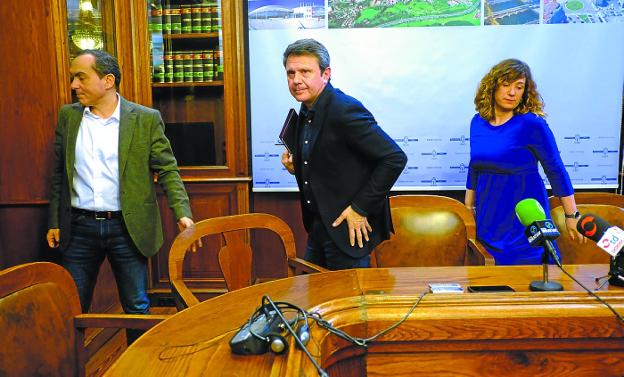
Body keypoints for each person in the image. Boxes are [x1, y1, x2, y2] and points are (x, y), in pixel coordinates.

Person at [46, 49, 195, 342]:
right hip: (78, 228)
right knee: (71, 309)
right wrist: (54, 221)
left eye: (81, 77)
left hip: (127, 228)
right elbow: (58, 176)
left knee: (136, 307)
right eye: (73, 78)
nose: (74, 85)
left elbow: (168, 170)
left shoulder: (145, 119)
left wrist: (183, 213)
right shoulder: (68, 117)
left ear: (108, 80)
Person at [280, 39, 407, 270]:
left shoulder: (344, 108)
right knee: (312, 300)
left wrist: (360, 208)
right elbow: (332, 158)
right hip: (319, 227)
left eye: (305, 72)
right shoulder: (307, 105)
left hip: (348, 231)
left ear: (325, 74)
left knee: (350, 304)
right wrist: (297, 165)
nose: (296, 80)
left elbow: (394, 158)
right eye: (291, 73)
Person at [465, 58, 584, 265]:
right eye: (506, 85)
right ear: (492, 87)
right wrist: (468, 206)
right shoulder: (477, 122)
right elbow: (475, 166)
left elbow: (555, 169)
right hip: (489, 216)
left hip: (523, 215)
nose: (512, 92)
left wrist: (572, 215)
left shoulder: (532, 124)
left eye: (519, 87)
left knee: (529, 274)